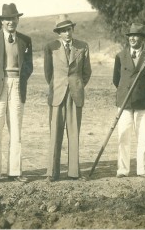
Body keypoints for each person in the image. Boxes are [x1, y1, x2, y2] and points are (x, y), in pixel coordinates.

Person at [0, 3, 33, 184]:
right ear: (2, 21)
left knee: (16, 129)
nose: (11, 22)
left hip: (17, 85)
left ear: (18, 20)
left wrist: (20, 79)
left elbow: (28, 66)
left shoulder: (25, 40)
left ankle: (15, 171)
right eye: (7, 19)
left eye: (14, 18)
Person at [43, 14, 92, 181]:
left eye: (69, 29)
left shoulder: (82, 46)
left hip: (75, 94)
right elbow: (48, 73)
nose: (67, 33)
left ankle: (73, 172)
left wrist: (77, 85)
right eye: (63, 31)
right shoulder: (51, 47)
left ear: (73, 29)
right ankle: (52, 172)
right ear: (58, 33)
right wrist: (58, 86)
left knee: (74, 133)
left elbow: (87, 72)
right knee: (55, 132)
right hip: (57, 94)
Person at [112, 23, 145, 179]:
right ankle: (122, 169)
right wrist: (126, 91)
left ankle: (142, 169)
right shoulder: (120, 56)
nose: (133, 39)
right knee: (123, 136)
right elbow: (116, 79)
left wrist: (140, 92)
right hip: (124, 102)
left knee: (143, 137)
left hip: (142, 102)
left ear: (142, 39)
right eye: (131, 36)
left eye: (136, 36)